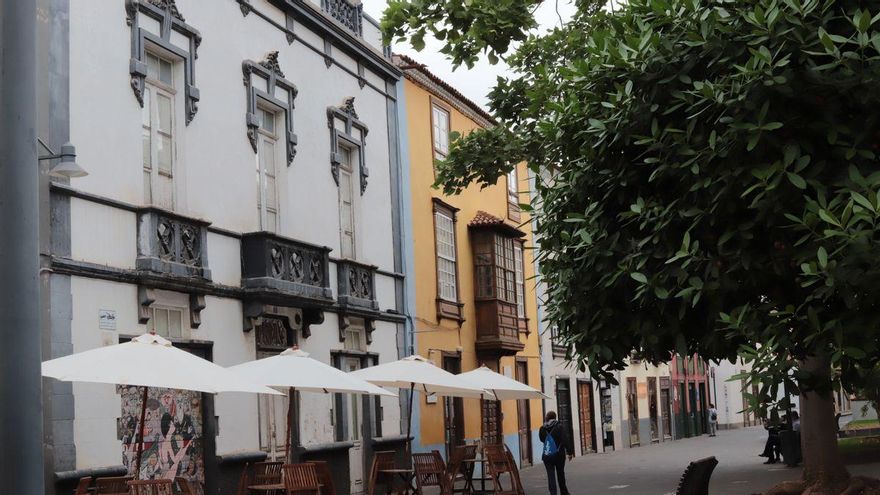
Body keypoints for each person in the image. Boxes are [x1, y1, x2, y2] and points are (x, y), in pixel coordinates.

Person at [539, 411, 574, 495]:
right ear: (555, 418)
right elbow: (565, 440)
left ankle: (553, 493)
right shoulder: (559, 427)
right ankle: (564, 492)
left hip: (547, 455)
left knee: (550, 476)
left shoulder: (542, 428)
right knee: (560, 474)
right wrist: (570, 452)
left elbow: (542, 439)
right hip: (559, 455)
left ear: (547, 418)